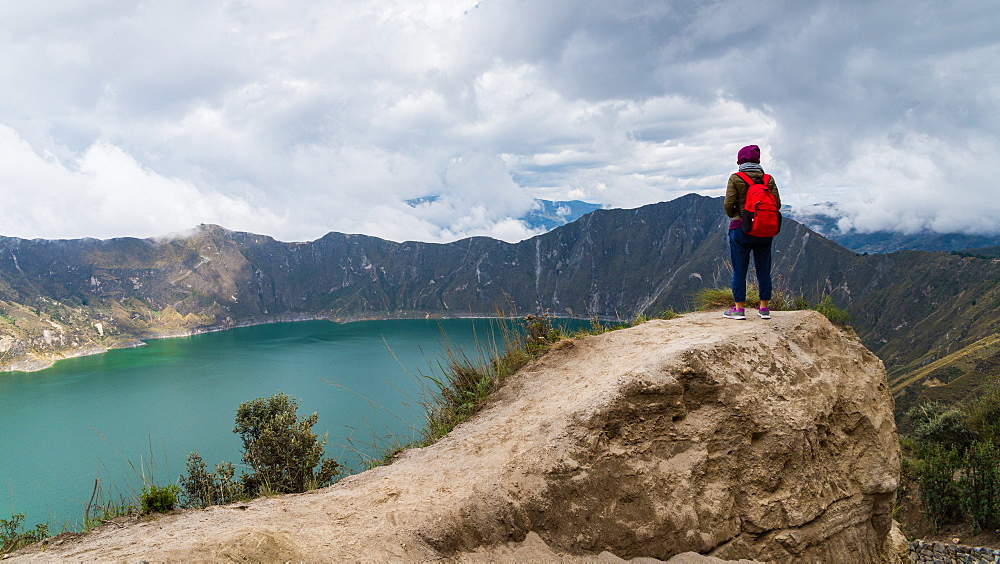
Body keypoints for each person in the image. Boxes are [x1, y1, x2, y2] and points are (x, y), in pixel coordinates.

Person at [723, 144, 780, 320]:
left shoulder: (735, 178)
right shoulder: (768, 180)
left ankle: (739, 308)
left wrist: (737, 216)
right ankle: (764, 308)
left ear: (740, 160)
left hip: (741, 229)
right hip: (764, 230)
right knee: (764, 269)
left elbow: (728, 204)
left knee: (739, 269)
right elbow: (776, 204)